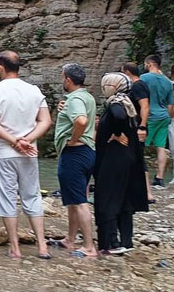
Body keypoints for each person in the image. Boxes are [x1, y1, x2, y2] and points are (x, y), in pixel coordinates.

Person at [0, 50, 52, 259]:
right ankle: (42, 246)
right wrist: (27, 140)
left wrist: (14, 141)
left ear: (1, 67)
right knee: (32, 196)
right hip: (29, 152)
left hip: (4, 152)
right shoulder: (33, 90)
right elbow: (45, 121)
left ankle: (15, 248)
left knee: (7, 198)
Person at [94, 73, 149, 254]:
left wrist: (116, 133)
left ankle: (111, 243)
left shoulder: (116, 103)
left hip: (114, 159)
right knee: (124, 200)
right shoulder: (128, 102)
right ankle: (126, 240)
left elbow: (117, 117)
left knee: (108, 198)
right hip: (128, 159)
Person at [54, 63, 97, 257]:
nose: (62, 80)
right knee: (73, 199)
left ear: (68, 80)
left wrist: (73, 139)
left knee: (80, 201)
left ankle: (88, 247)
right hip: (86, 152)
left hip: (75, 153)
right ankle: (70, 240)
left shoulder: (76, 98)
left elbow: (81, 120)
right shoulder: (86, 96)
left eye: (63, 77)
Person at [140, 55, 174, 189]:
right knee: (161, 147)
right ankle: (160, 178)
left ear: (149, 64)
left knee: (140, 147)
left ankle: (143, 179)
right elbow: (170, 104)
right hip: (164, 116)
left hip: (149, 116)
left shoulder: (144, 78)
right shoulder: (167, 82)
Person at [121, 61, 153, 202]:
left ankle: (147, 193)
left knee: (138, 158)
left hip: (137, 127)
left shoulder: (138, 86)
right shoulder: (137, 86)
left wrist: (142, 126)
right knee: (132, 158)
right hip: (133, 126)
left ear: (127, 72)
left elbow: (145, 106)